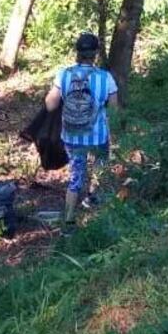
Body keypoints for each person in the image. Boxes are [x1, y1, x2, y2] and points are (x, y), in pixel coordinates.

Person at [44, 32, 118, 227]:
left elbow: (50, 105)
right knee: (99, 167)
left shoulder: (64, 75)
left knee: (76, 175)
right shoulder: (106, 77)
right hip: (98, 136)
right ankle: (92, 199)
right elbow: (115, 111)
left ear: (77, 52)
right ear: (96, 53)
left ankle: (68, 221)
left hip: (72, 136)